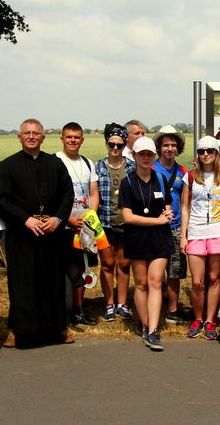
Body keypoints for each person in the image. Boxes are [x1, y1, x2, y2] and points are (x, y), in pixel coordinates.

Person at [0, 119, 74, 348]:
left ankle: (58, 329)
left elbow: (67, 194)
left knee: (53, 283)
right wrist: (25, 219)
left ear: (43, 138)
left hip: (51, 233)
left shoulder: (55, 164)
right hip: (22, 235)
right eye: (27, 133)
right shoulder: (8, 166)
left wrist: (58, 219)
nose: (31, 136)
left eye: (36, 133)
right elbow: (2, 199)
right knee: (22, 284)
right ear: (19, 137)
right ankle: (17, 330)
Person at [119, 137, 175, 351]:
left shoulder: (161, 178)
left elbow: (167, 205)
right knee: (141, 284)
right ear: (134, 155)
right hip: (137, 238)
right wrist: (157, 221)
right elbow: (128, 217)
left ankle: (153, 330)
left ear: (154, 156)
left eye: (149, 154)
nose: (145, 157)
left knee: (155, 282)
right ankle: (144, 325)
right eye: (141, 153)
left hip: (159, 238)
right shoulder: (127, 182)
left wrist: (167, 214)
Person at [180, 136, 220, 340]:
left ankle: (210, 320)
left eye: (209, 151)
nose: (205, 155)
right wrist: (184, 236)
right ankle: (198, 318)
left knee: (214, 278)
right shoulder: (190, 177)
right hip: (195, 232)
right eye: (201, 151)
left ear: (216, 153)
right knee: (196, 282)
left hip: (218, 231)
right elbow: (184, 207)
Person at [56, 122, 100, 327]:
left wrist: (90, 217)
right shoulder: (55, 161)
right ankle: (57, 311)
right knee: (60, 268)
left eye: (76, 137)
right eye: (69, 137)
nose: (72, 140)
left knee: (82, 268)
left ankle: (78, 310)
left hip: (83, 227)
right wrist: (66, 219)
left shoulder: (88, 163)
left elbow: (93, 193)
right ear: (62, 139)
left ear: (82, 140)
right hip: (61, 226)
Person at [96, 123, 136, 321]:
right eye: (111, 144)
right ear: (106, 144)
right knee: (107, 264)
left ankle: (122, 303)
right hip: (105, 222)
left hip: (126, 224)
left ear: (124, 145)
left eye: (119, 145)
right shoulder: (97, 167)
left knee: (124, 264)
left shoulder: (132, 167)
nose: (115, 148)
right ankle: (109, 304)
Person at [152, 124, 190, 323]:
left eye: (173, 145)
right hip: (155, 228)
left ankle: (173, 311)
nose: (170, 149)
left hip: (176, 227)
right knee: (155, 273)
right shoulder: (151, 169)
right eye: (166, 145)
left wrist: (184, 229)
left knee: (175, 272)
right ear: (159, 147)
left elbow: (185, 202)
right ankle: (154, 309)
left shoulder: (182, 171)